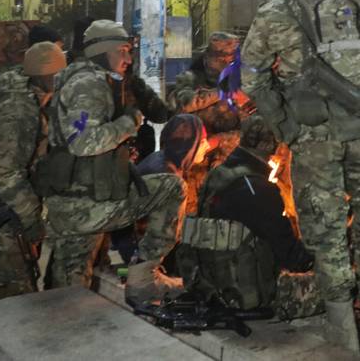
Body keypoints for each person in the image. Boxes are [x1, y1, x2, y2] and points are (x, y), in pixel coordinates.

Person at [241, 0, 360, 352]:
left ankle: (342, 334)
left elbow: (252, 77)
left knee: (327, 235)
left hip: (313, 140)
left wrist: (284, 125)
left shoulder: (277, 9)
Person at [43, 20, 186, 298]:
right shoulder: (90, 84)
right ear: (104, 51)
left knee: (70, 283)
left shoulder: (77, 77)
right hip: (89, 205)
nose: (129, 58)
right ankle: (143, 278)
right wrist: (129, 121)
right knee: (172, 188)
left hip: (73, 199)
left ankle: (60, 315)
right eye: (123, 51)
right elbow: (84, 142)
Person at [177, 115, 319, 320]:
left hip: (212, 287)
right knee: (336, 283)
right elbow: (291, 256)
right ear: (268, 145)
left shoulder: (218, 175)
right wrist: (317, 257)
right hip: (248, 296)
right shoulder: (257, 188)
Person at [0, 42, 67, 300]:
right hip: (4, 204)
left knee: (14, 282)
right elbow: (5, 171)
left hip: (13, 200)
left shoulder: (31, 91)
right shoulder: (20, 108)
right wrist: (32, 221)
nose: (62, 81)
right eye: (59, 75)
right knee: (13, 288)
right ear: (46, 75)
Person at [123, 113, 210, 302]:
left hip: (128, 245)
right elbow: (156, 231)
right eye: (203, 141)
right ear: (191, 145)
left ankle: (143, 275)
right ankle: (143, 282)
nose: (208, 146)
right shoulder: (168, 176)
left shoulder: (161, 159)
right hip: (131, 248)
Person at [169, 31, 249, 212]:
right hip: (194, 164)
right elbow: (184, 104)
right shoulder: (190, 78)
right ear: (207, 57)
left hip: (229, 165)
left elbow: (252, 131)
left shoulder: (244, 85)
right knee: (188, 215)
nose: (222, 64)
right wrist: (221, 92)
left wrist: (218, 141)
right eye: (218, 58)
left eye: (228, 59)